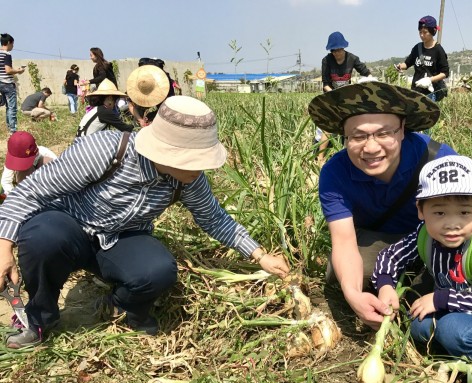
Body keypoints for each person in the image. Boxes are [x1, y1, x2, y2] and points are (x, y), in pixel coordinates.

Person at [0, 95, 290, 348]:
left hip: (122, 237)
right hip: (72, 225)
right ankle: (38, 317)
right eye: (193, 159)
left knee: (158, 271)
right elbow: (31, 190)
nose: (200, 168)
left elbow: (214, 218)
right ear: (167, 151)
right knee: (42, 238)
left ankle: (120, 306)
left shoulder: (188, 179)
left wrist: (259, 255)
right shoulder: (106, 150)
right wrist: (3, 246)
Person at [308, 81, 472, 330]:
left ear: (402, 129)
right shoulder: (335, 173)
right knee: (344, 275)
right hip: (380, 238)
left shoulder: (434, 156)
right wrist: (352, 295)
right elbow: (344, 242)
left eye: (384, 133)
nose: (371, 147)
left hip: (438, 236)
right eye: (358, 136)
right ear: (344, 137)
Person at [372, 155, 472, 362]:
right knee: (417, 324)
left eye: (464, 212)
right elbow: (390, 256)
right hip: (457, 308)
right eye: (440, 213)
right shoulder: (425, 235)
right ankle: (458, 352)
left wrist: (441, 299)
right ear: (420, 210)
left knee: (452, 331)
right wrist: (385, 285)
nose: (452, 224)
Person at [317, 32, 371, 163]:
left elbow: (367, 74)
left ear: (343, 48)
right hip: (332, 97)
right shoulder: (327, 60)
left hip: (348, 98)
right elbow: (325, 84)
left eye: (339, 50)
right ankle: (319, 158)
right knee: (327, 128)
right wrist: (335, 95)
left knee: (349, 127)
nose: (337, 53)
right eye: (333, 51)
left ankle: (348, 158)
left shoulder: (352, 59)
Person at [395, 16, 449, 102]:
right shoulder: (417, 48)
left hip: (431, 93)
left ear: (433, 31)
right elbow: (407, 63)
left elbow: (445, 73)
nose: (422, 35)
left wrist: (429, 80)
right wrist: (400, 66)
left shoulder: (438, 50)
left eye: (425, 32)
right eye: (420, 32)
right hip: (416, 91)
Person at [0, 33, 26, 134]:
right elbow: (8, 70)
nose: (13, 47)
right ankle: (13, 131)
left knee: (7, 107)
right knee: (11, 107)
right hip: (7, 83)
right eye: (13, 44)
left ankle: (9, 128)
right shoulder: (7, 54)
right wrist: (18, 71)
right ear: (9, 43)